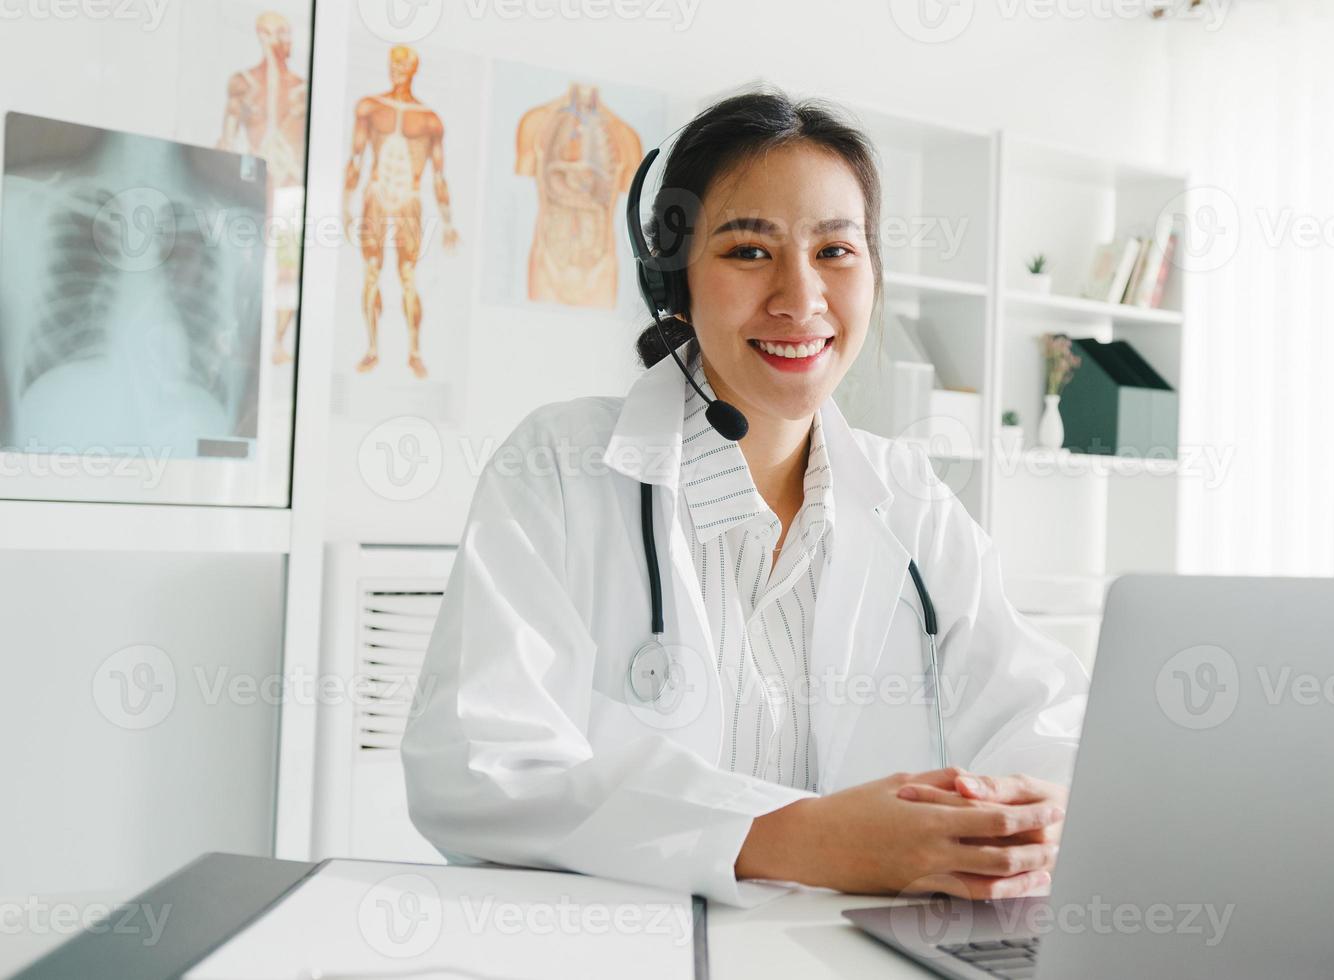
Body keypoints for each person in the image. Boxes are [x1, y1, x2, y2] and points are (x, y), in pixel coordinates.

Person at [401, 88, 1089, 908]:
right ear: (674, 282)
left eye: (836, 251)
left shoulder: (912, 501)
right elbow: (477, 768)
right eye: (749, 251)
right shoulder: (558, 467)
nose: (801, 299)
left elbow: (1046, 724)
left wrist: (1034, 809)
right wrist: (805, 838)